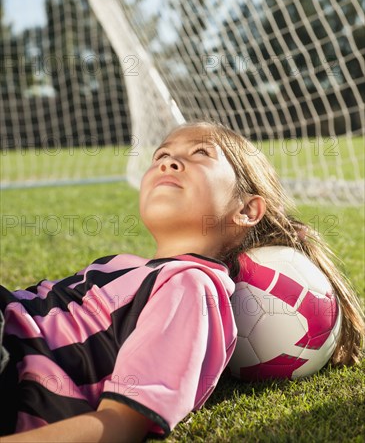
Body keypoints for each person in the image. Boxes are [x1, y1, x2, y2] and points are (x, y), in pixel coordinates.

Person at [0, 121, 363, 442]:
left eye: (200, 153)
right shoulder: (130, 267)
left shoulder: (192, 285)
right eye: (162, 154)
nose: (168, 162)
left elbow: (119, 423)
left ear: (247, 210)